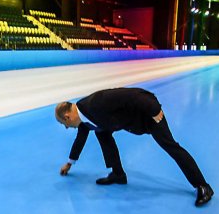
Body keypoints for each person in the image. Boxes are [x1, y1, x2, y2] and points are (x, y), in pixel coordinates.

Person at [55, 87, 214, 207]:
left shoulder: (96, 102)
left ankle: (202, 186)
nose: (67, 128)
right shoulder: (84, 119)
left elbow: (129, 95)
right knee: (102, 134)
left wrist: (154, 109)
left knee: (169, 145)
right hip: (129, 121)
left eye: (64, 124)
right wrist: (70, 163)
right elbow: (80, 140)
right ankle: (118, 174)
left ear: (67, 117)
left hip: (148, 115)